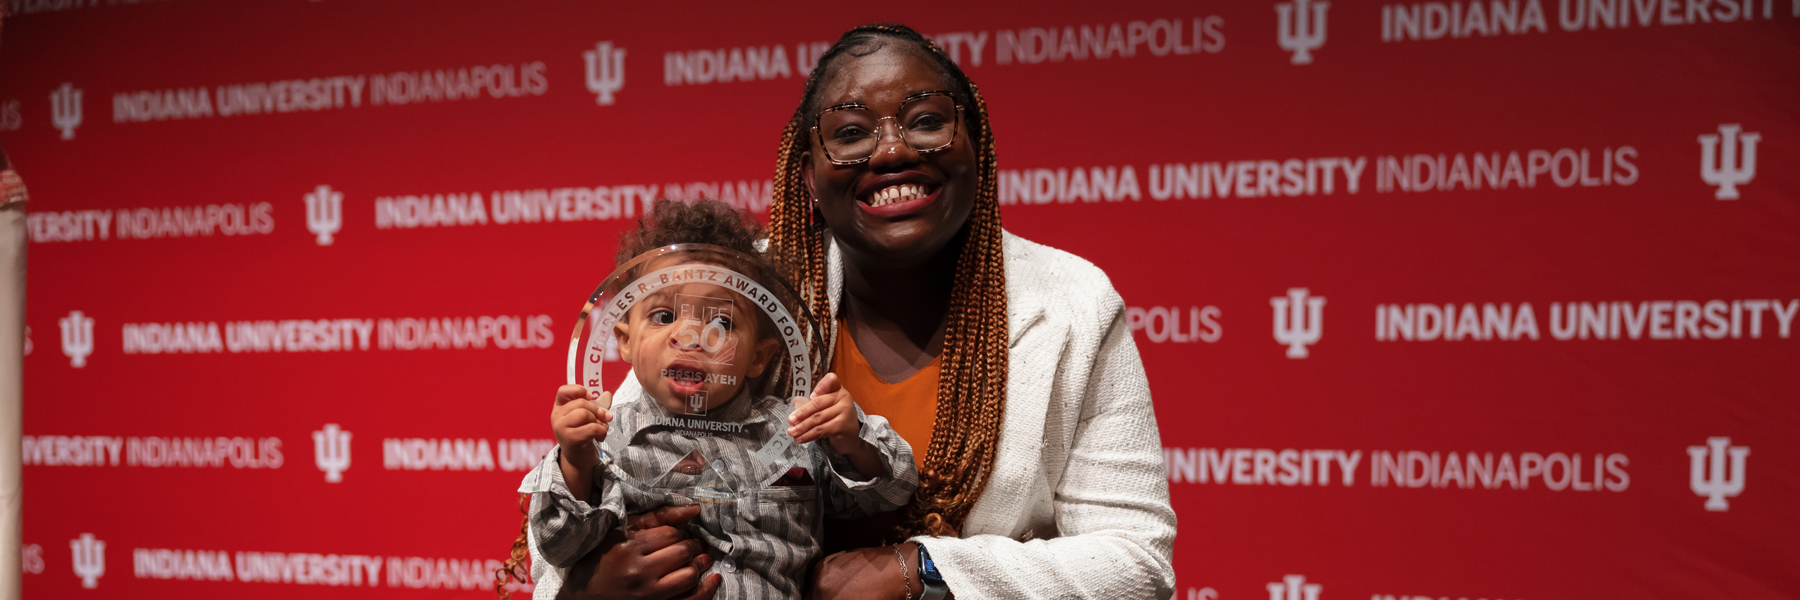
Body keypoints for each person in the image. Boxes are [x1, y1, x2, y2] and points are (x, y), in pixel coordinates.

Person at [512, 199, 919, 599]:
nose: (689, 337)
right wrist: (575, 463)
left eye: (721, 322)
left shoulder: (796, 430)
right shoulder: (605, 441)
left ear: (759, 356)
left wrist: (852, 439)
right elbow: (561, 545)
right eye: (664, 316)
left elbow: (890, 492)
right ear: (625, 342)